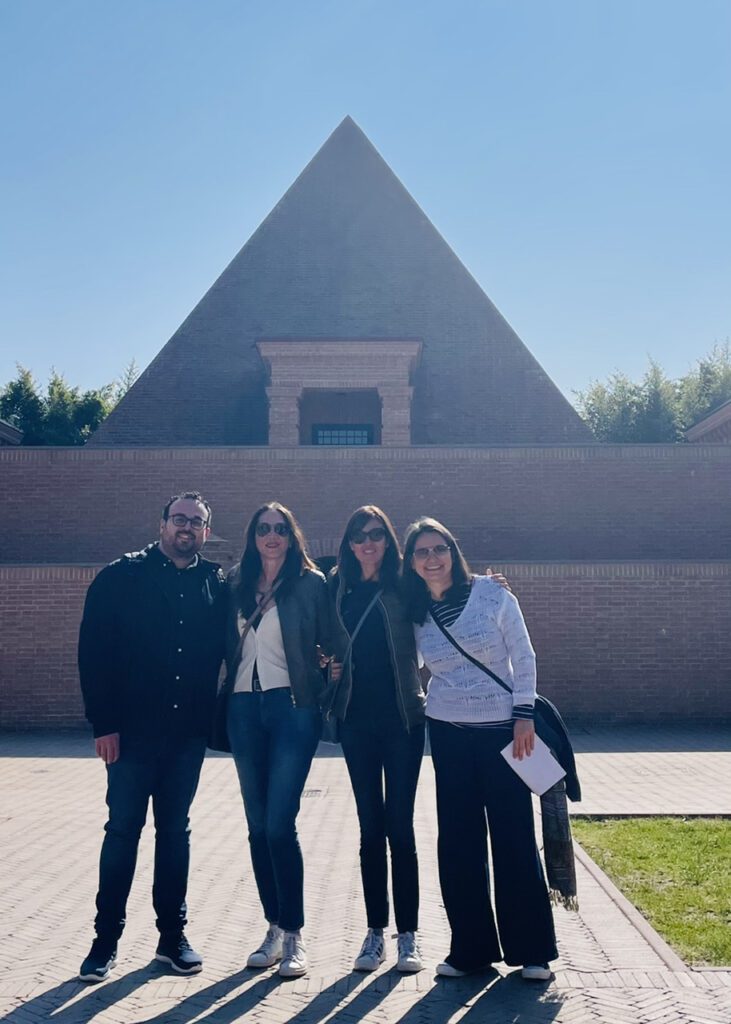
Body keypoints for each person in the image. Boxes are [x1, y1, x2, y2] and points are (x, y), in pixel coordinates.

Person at [77, 492, 227, 983]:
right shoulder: (121, 577)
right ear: (162, 523)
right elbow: (93, 654)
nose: (187, 527)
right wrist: (104, 725)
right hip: (131, 736)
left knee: (175, 834)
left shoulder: (215, 584)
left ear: (206, 531)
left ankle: (171, 939)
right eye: (179, 519)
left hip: (185, 737)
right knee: (122, 832)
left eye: (197, 522)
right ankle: (104, 942)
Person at [401, 517, 558, 981]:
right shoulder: (414, 611)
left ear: (453, 550)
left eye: (439, 548)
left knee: (512, 836)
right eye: (422, 552)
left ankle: (532, 952)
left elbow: (523, 654)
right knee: (458, 842)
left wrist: (524, 714)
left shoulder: (492, 594)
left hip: (504, 731)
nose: (432, 559)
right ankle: (470, 950)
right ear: (411, 562)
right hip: (447, 732)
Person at [225, 501, 330, 979]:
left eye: (280, 529)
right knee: (255, 826)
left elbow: (336, 638)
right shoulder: (234, 584)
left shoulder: (311, 585)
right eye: (263, 527)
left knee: (278, 824)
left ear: (292, 536)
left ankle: (294, 935)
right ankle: (272, 925)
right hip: (244, 708)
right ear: (253, 536)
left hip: (292, 710)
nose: (271, 535)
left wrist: (324, 686)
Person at [328, 506, 426, 973]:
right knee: (370, 830)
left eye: (376, 534)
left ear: (389, 541)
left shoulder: (406, 585)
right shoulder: (337, 587)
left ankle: (408, 935)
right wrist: (322, 664)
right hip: (356, 723)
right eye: (359, 535)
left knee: (401, 829)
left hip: (404, 721)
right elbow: (316, 637)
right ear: (348, 543)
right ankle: (374, 933)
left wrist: (493, 587)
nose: (368, 542)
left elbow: (451, 594)